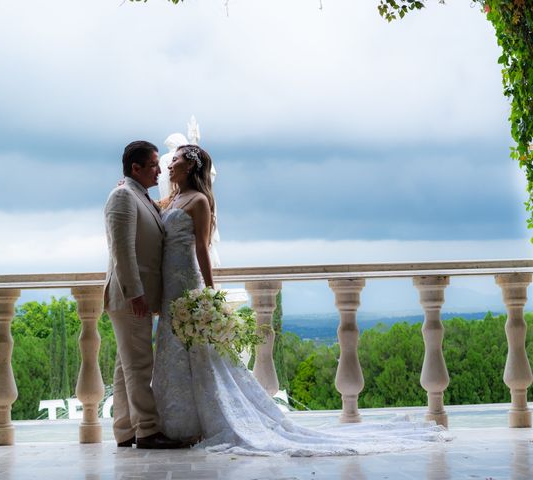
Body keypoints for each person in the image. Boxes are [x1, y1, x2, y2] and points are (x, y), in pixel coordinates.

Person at [152, 144, 450, 456]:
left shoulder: (198, 201)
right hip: (171, 288)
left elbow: (202, 249)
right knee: (177, 353)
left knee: (203, 356)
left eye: (175, 161)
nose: (169, 165)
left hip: (189, 284)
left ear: (191, 168)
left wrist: (211, 296)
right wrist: (128, 188)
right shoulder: (173, 198)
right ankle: (180, 422)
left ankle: (205, 422)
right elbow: (153, 209)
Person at [103, 140, 183, 449]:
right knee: (139, 366)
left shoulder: (140, 196)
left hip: (138, 297)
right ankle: (148, 430)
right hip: (129, 298)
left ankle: (125, 430)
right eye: (152, 165)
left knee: (126, 368)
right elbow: (121, 249)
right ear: (135, 168)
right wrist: (136, 293)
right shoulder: (123, 196)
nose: (159, 170)